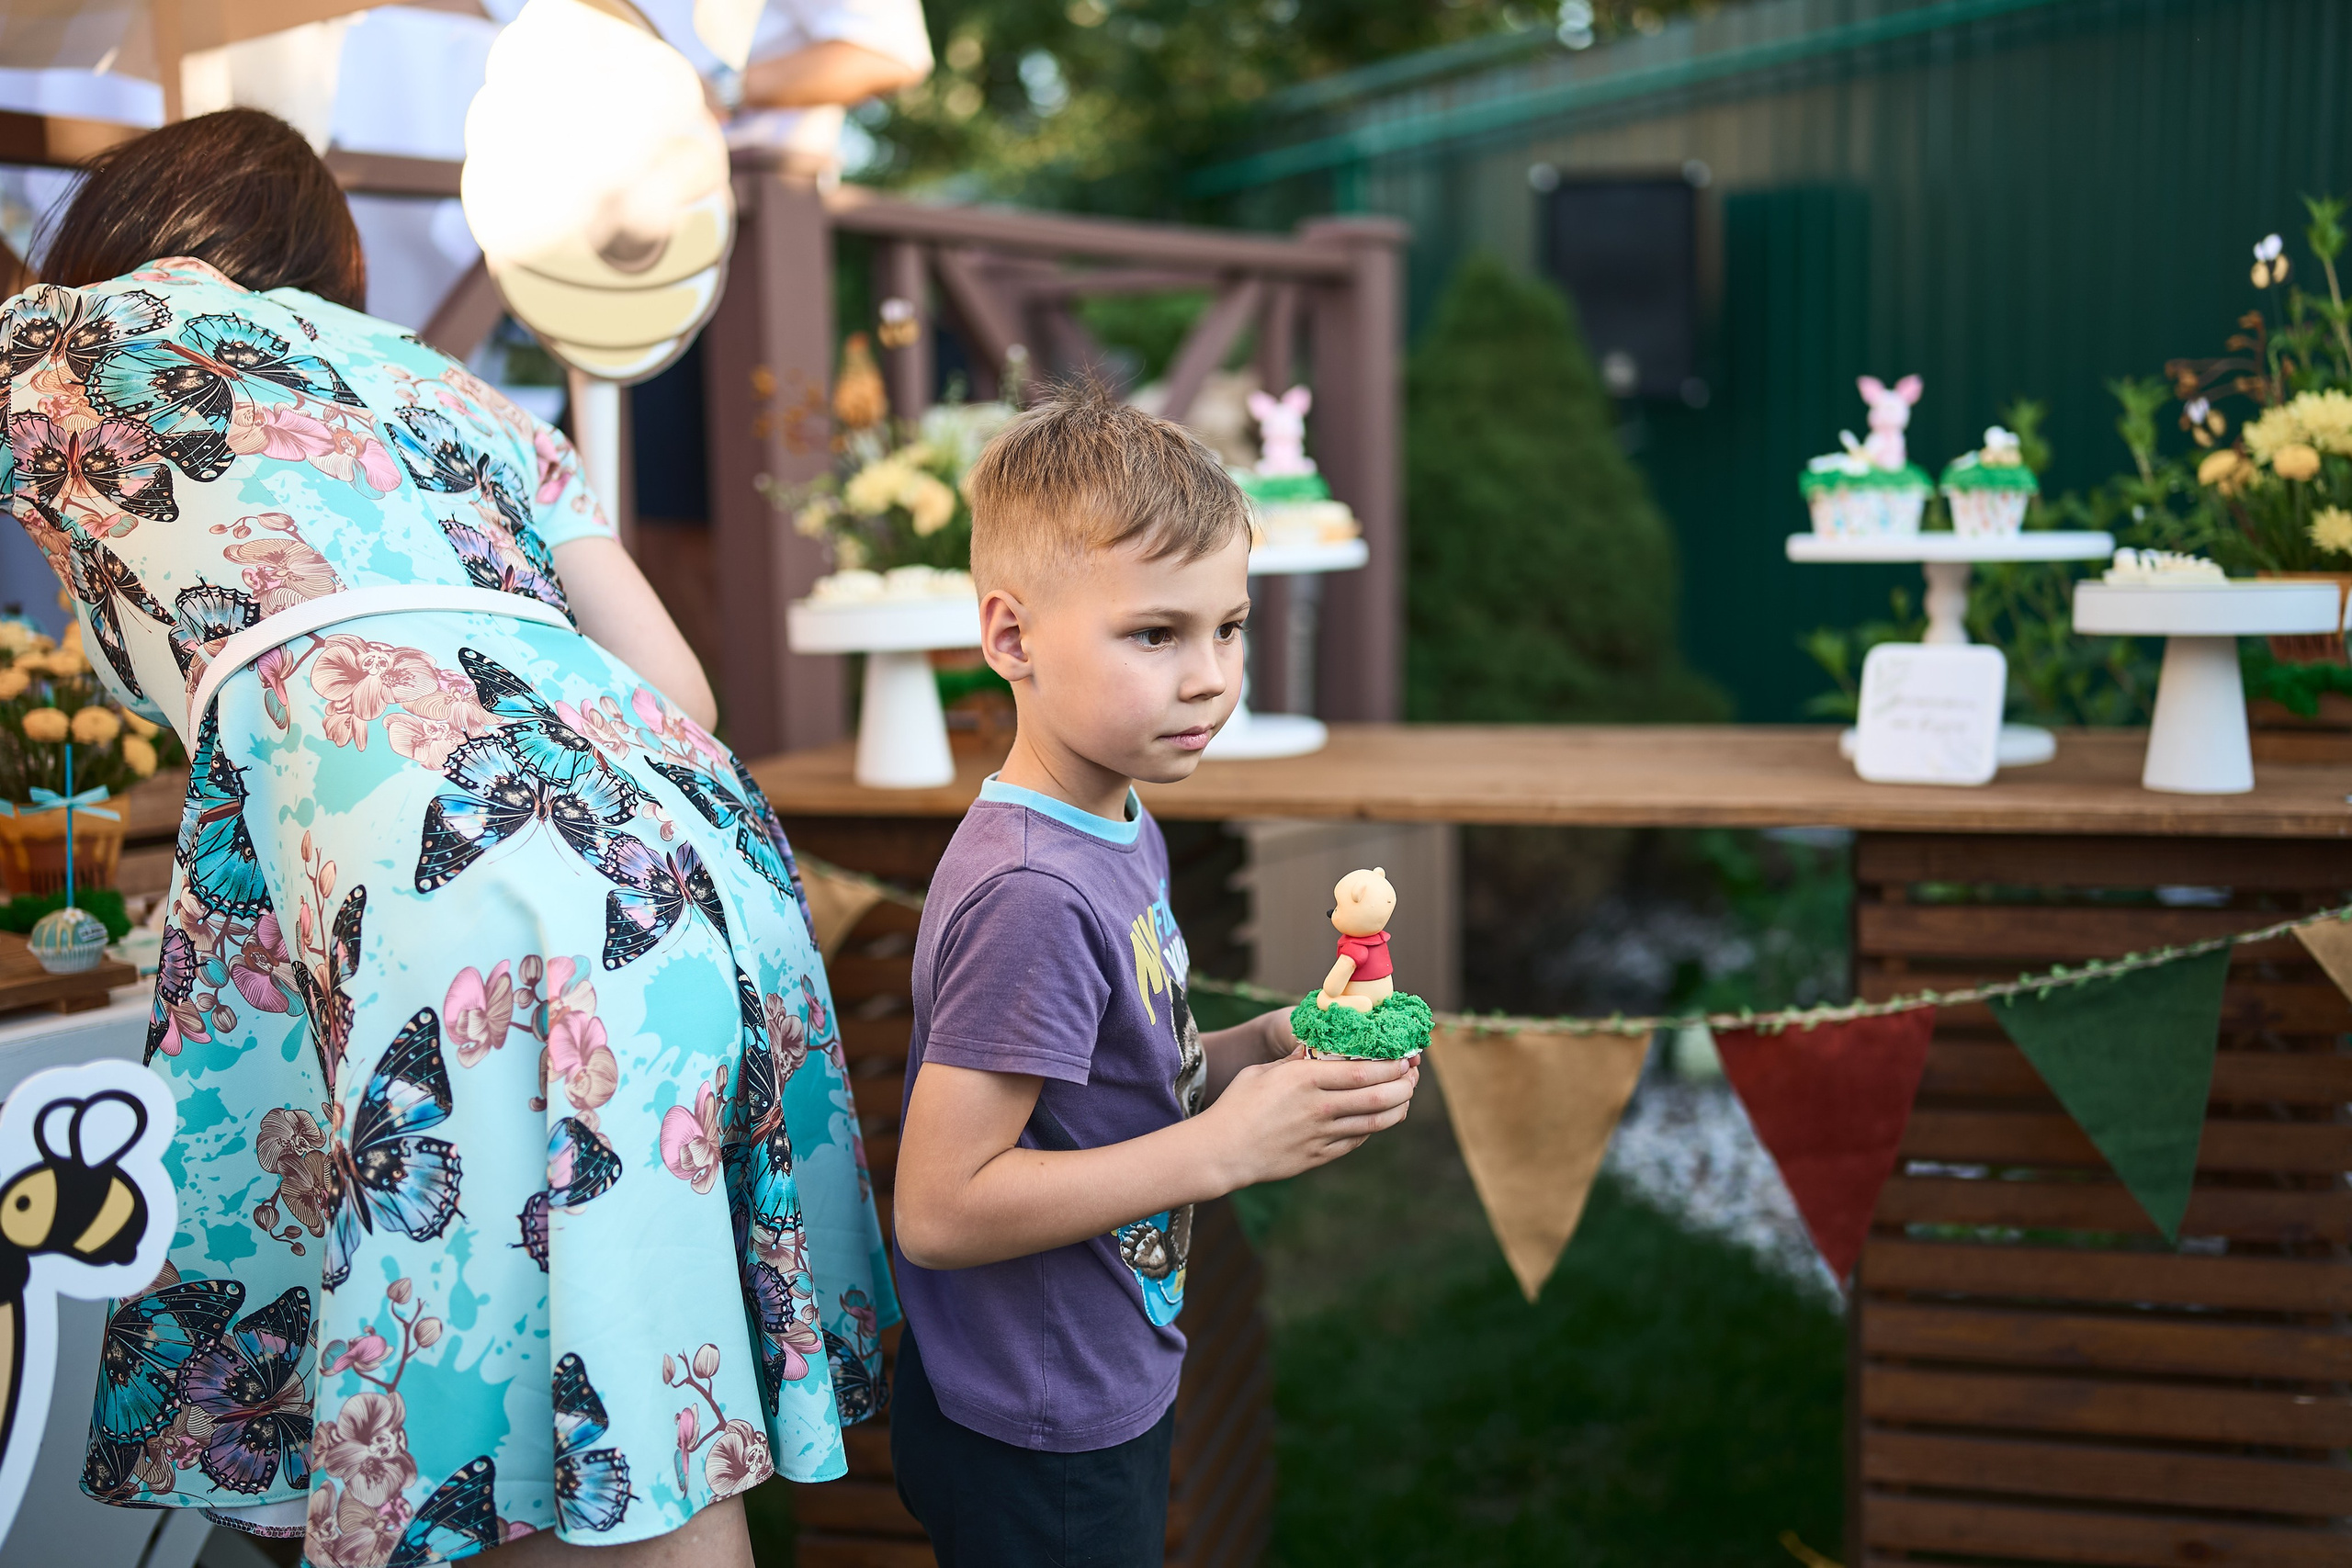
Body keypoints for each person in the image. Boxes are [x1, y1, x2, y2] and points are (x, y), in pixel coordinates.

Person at [12, 110, 894, 1568]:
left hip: (469, 892)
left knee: (477, 1444)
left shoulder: (60, 346)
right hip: (692, 861)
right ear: (331, 266)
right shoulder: (465, 395)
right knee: (643, 1428)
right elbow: (681, 688)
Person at [888, 386, 1420, 1566]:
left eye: (1227, 628)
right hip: (1034, 1423)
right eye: (1155, 635)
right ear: (1012, 638)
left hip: (1095, 1362)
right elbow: (940, 1208)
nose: (1210, 677)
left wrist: (1261, 1049)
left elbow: (1113, 1075)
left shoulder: (1117, 817)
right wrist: (1221, 1150)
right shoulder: (1032, 891)